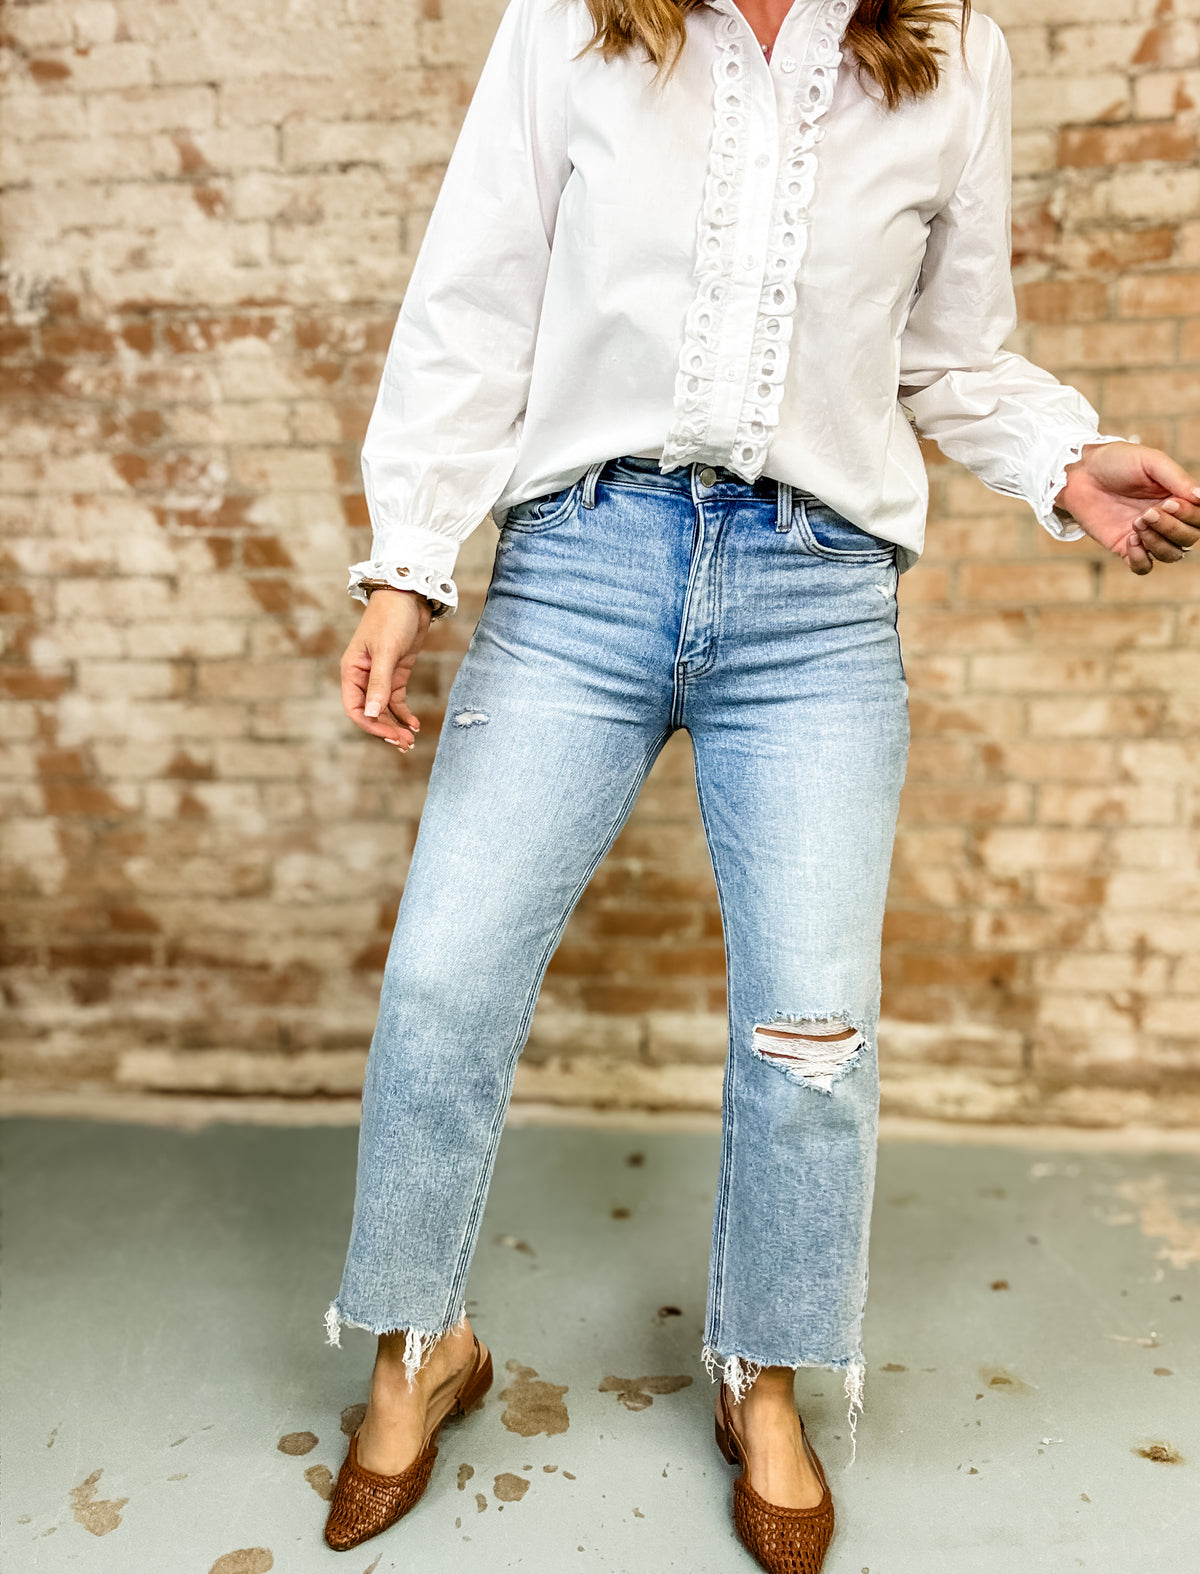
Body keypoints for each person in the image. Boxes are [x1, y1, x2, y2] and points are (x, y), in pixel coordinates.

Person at [320, 0, 1199, 1565]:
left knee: (812, 1024)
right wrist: (407, 566)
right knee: (446, 973)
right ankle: (416, 1346)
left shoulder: (950, 50)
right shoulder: (576, 23)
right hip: (581, 565)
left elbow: (949, 350)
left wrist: (1066, 461)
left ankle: (764, 1372)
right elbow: (479, 292)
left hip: (816, 594)